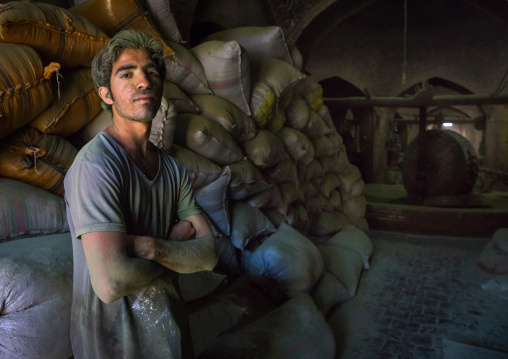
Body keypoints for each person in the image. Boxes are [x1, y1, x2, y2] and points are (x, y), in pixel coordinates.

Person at [64, 30, 218, 359]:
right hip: (113, 345)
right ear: (106, 94)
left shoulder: (174, 170)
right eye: (127, 73)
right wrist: (176, 249)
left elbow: (208, 255)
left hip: (170, 337)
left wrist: (149, 246)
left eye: (151, 72)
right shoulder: (96, 166)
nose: (143, 82)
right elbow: (111, 284)